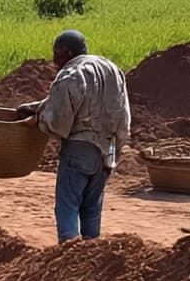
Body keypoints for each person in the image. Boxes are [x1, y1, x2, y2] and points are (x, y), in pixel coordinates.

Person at [16, 30, 130, 243]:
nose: (53, 60)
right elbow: (123, 116)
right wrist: (35, 107)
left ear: (66, 52)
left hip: (80, 149)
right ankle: (91, 257)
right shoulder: (112, 70)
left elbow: (58, 122)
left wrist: (38, 122)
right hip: (109, 149)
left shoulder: (72, 74)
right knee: (92, 209)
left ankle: (70, 258)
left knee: (67, 206)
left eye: (56, 54)